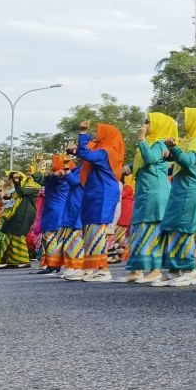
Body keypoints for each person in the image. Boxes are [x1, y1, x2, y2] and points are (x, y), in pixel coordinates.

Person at [155, 108, 196, 288]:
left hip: (194, 187)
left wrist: (173, 149)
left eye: (188, 118)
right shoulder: (188, 141)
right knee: (173, 226)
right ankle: (175, 270)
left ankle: (190, 271)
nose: (185, 122)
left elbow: (187, 161)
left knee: (185, 227)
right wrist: (172, 152)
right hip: (183, 187)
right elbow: (178, 160)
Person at [123, 113, 177, 284]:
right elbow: (144, 161)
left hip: (155, 191)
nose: (145, 124)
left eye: (149, 121)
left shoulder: (160, 143)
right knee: (140, 228)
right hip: (145, 190)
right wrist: (130, 167)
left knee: (152, 228)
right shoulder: (151, 142)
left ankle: (155, 269)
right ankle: (136, 269)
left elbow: (151, 158)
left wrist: (141, 139)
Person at [70, 121, 125, 283]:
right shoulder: (103, 149)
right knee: (90, 230)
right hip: (95, 193)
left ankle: (103, 269)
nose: (97, 135)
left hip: (103, 194)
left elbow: (86, 154)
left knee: (97, 230)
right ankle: (90, 268)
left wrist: (83, 134)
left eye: (100, 132)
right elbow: (87, 151)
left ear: (108, 135)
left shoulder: (108, 151)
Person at [33, 156, 70, 274]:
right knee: (49, 237)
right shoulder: (54, 177)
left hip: (56, 210)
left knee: (50, 237)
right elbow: (40, 180)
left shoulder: (60, 177)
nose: (51, 164)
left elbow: (51, 177)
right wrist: (39, 165)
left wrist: (48, 172)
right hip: (53, 209)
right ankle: (54, 263)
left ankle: (53, 264)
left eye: (54, 162)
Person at [0, 171, 39, 268]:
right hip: (15, 214)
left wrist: (17, 181)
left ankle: (23, 261)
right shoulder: (20, 187)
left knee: (17, 235)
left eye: (30, 173)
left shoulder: (34, 186)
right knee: (9, 234)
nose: (27, 175)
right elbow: (10, 198)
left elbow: (22, 192)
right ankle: (11, 261)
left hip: (24, 214)